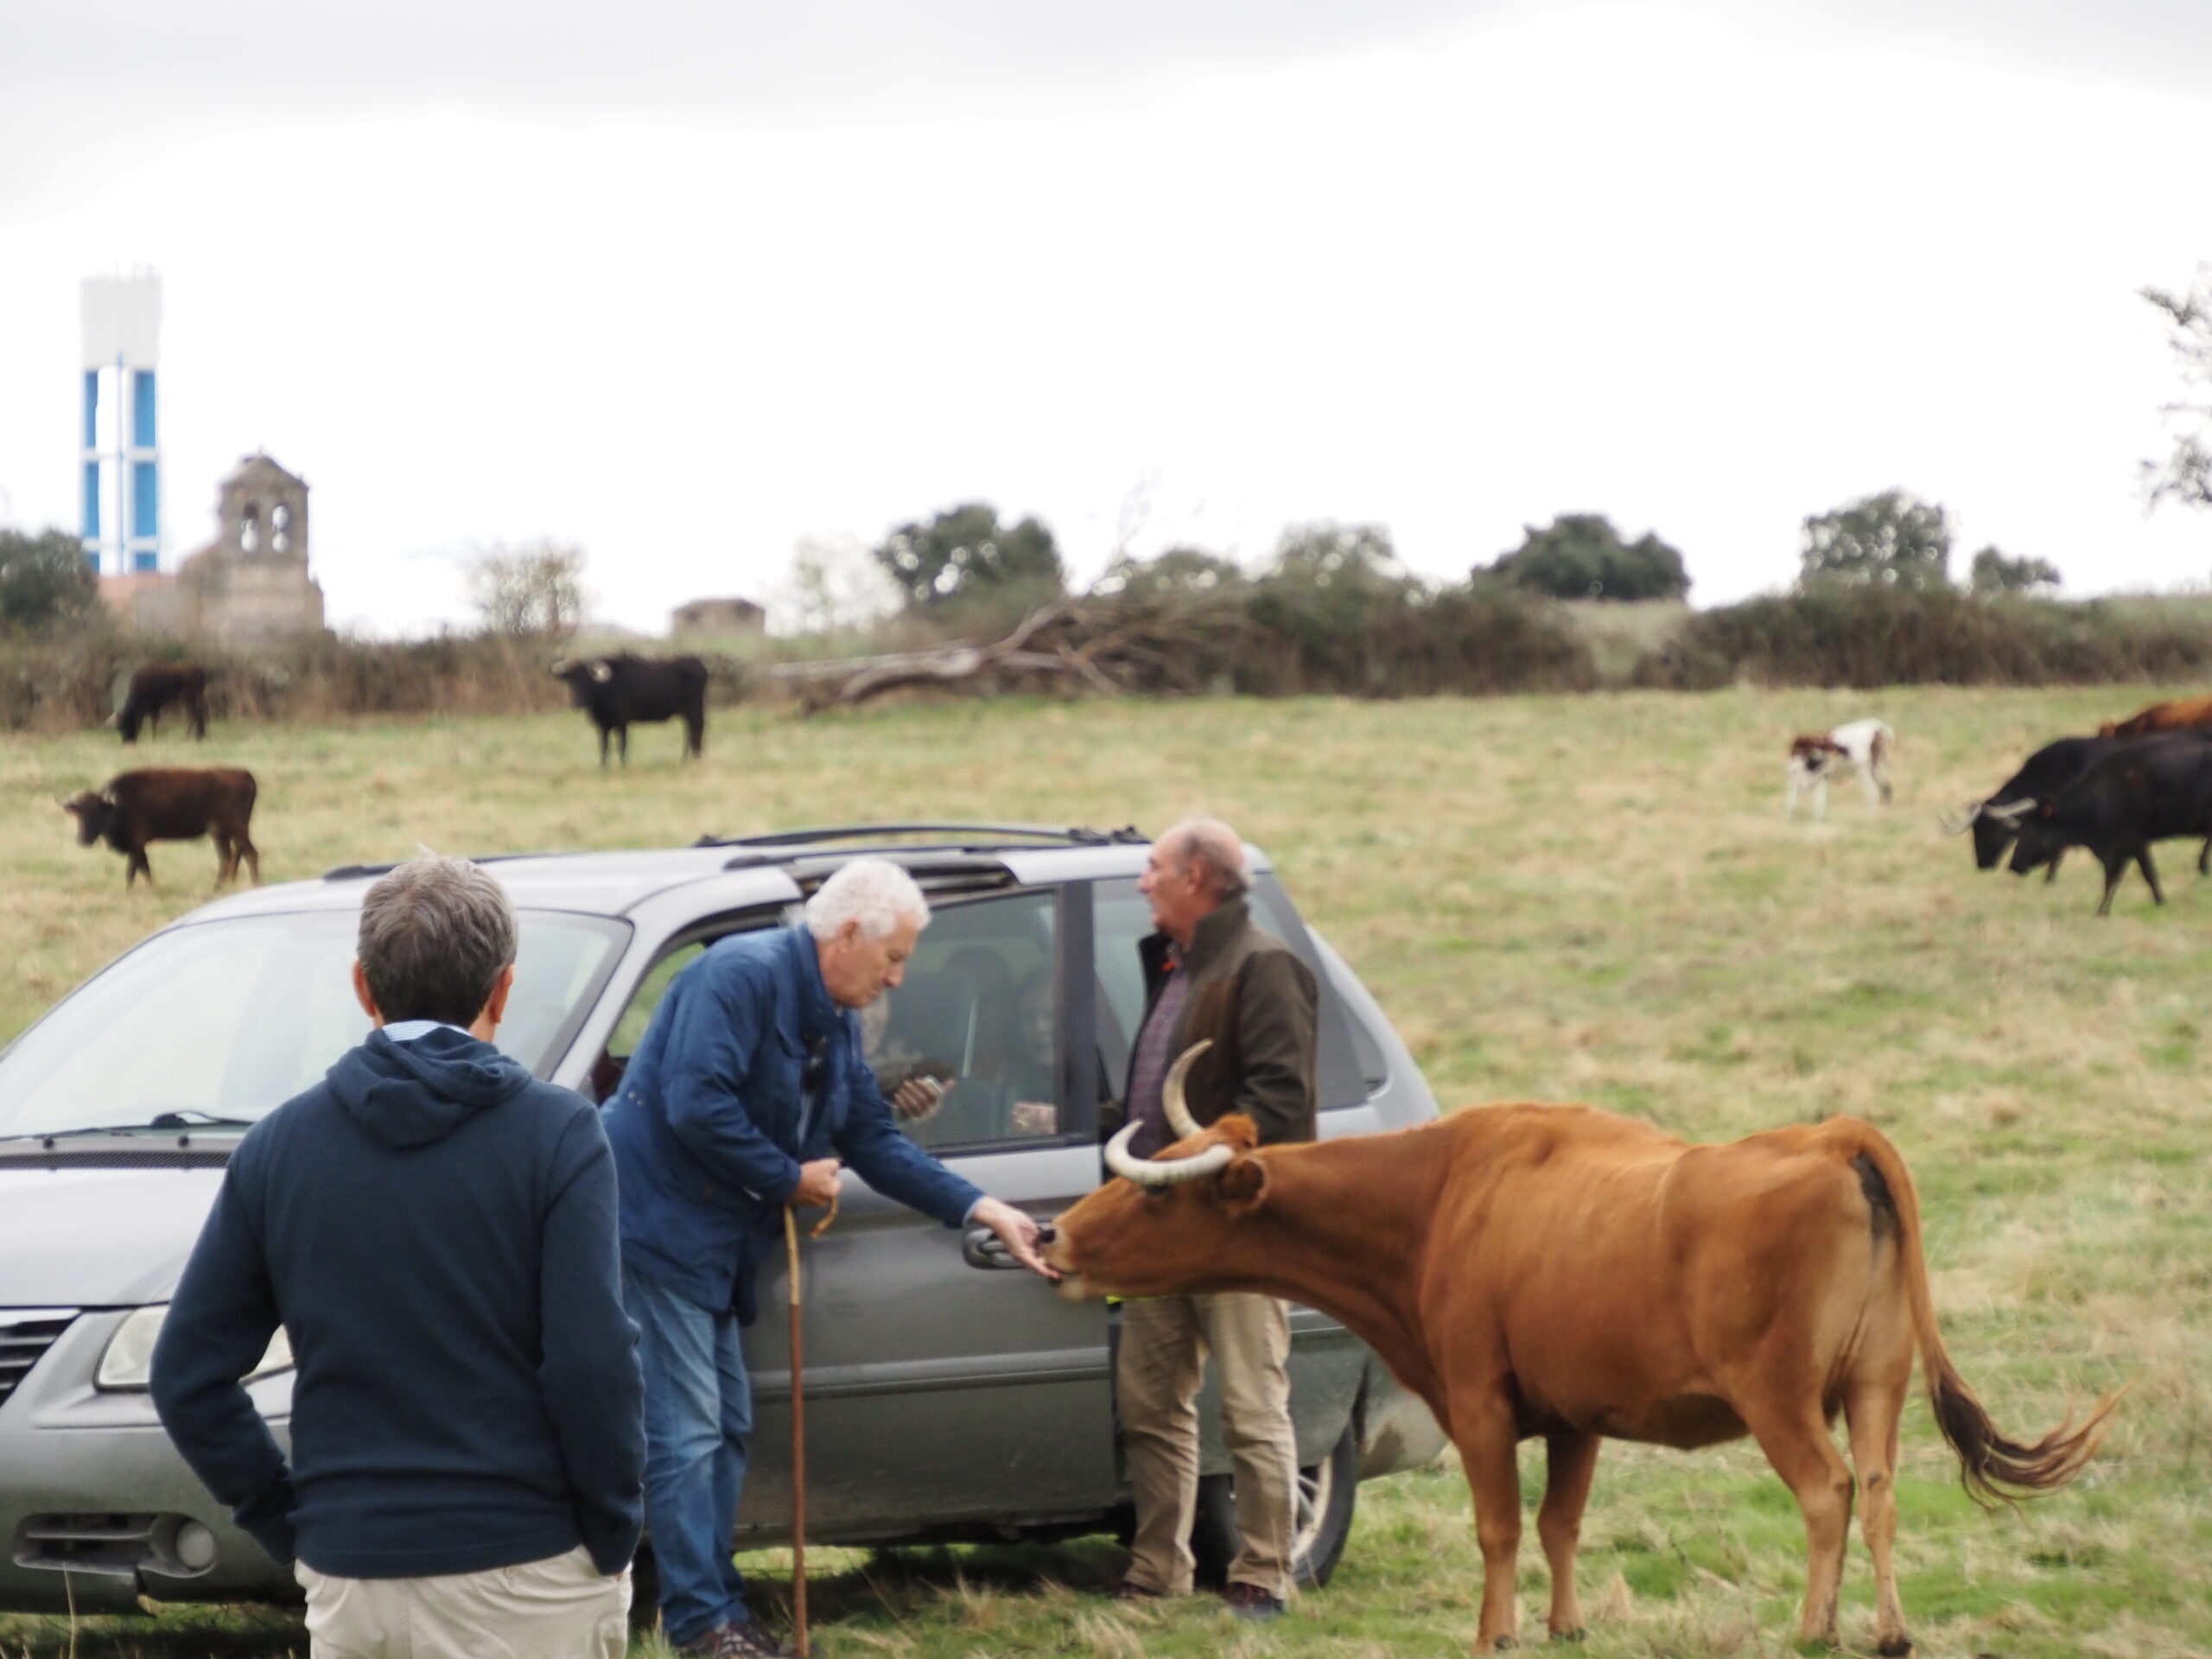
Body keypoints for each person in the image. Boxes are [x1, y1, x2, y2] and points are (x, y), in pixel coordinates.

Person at [151, 855, 645, 1659]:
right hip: (528, 1560)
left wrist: (288, 1519)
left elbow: (185, 1375)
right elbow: (592, 1362)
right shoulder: (556, 1136)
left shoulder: (279, 1148)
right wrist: (614, 1527)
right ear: (504, 989)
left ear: (362, 987)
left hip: (355, 1576)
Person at [602, 858, 1052, 1659]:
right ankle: (702, 1626)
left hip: (713, 1244)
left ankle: (721, 1610)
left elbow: (871, 1138)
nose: (901, 978)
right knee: (689, 1434)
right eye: (893, 957)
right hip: (656, 1232)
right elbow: (694, 1103)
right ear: (846, 935)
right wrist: (788, 1177)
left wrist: (982, 1207)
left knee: (728, 1427)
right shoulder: (738, 976)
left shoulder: (833, 1015)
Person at [1109, 817, 1318, 1622]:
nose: (1141, 882)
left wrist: (1184, 1163)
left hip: (1235, 1234)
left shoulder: (1265, 966)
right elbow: (1160, 1096)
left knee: (1252, 1408)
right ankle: (1158, 1567)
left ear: (1196, 879)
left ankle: (1264, 1573)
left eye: (1152, 867)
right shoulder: (1176, 964)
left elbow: (1279, 1108)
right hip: (1160, 1226)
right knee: (1150, 1402)